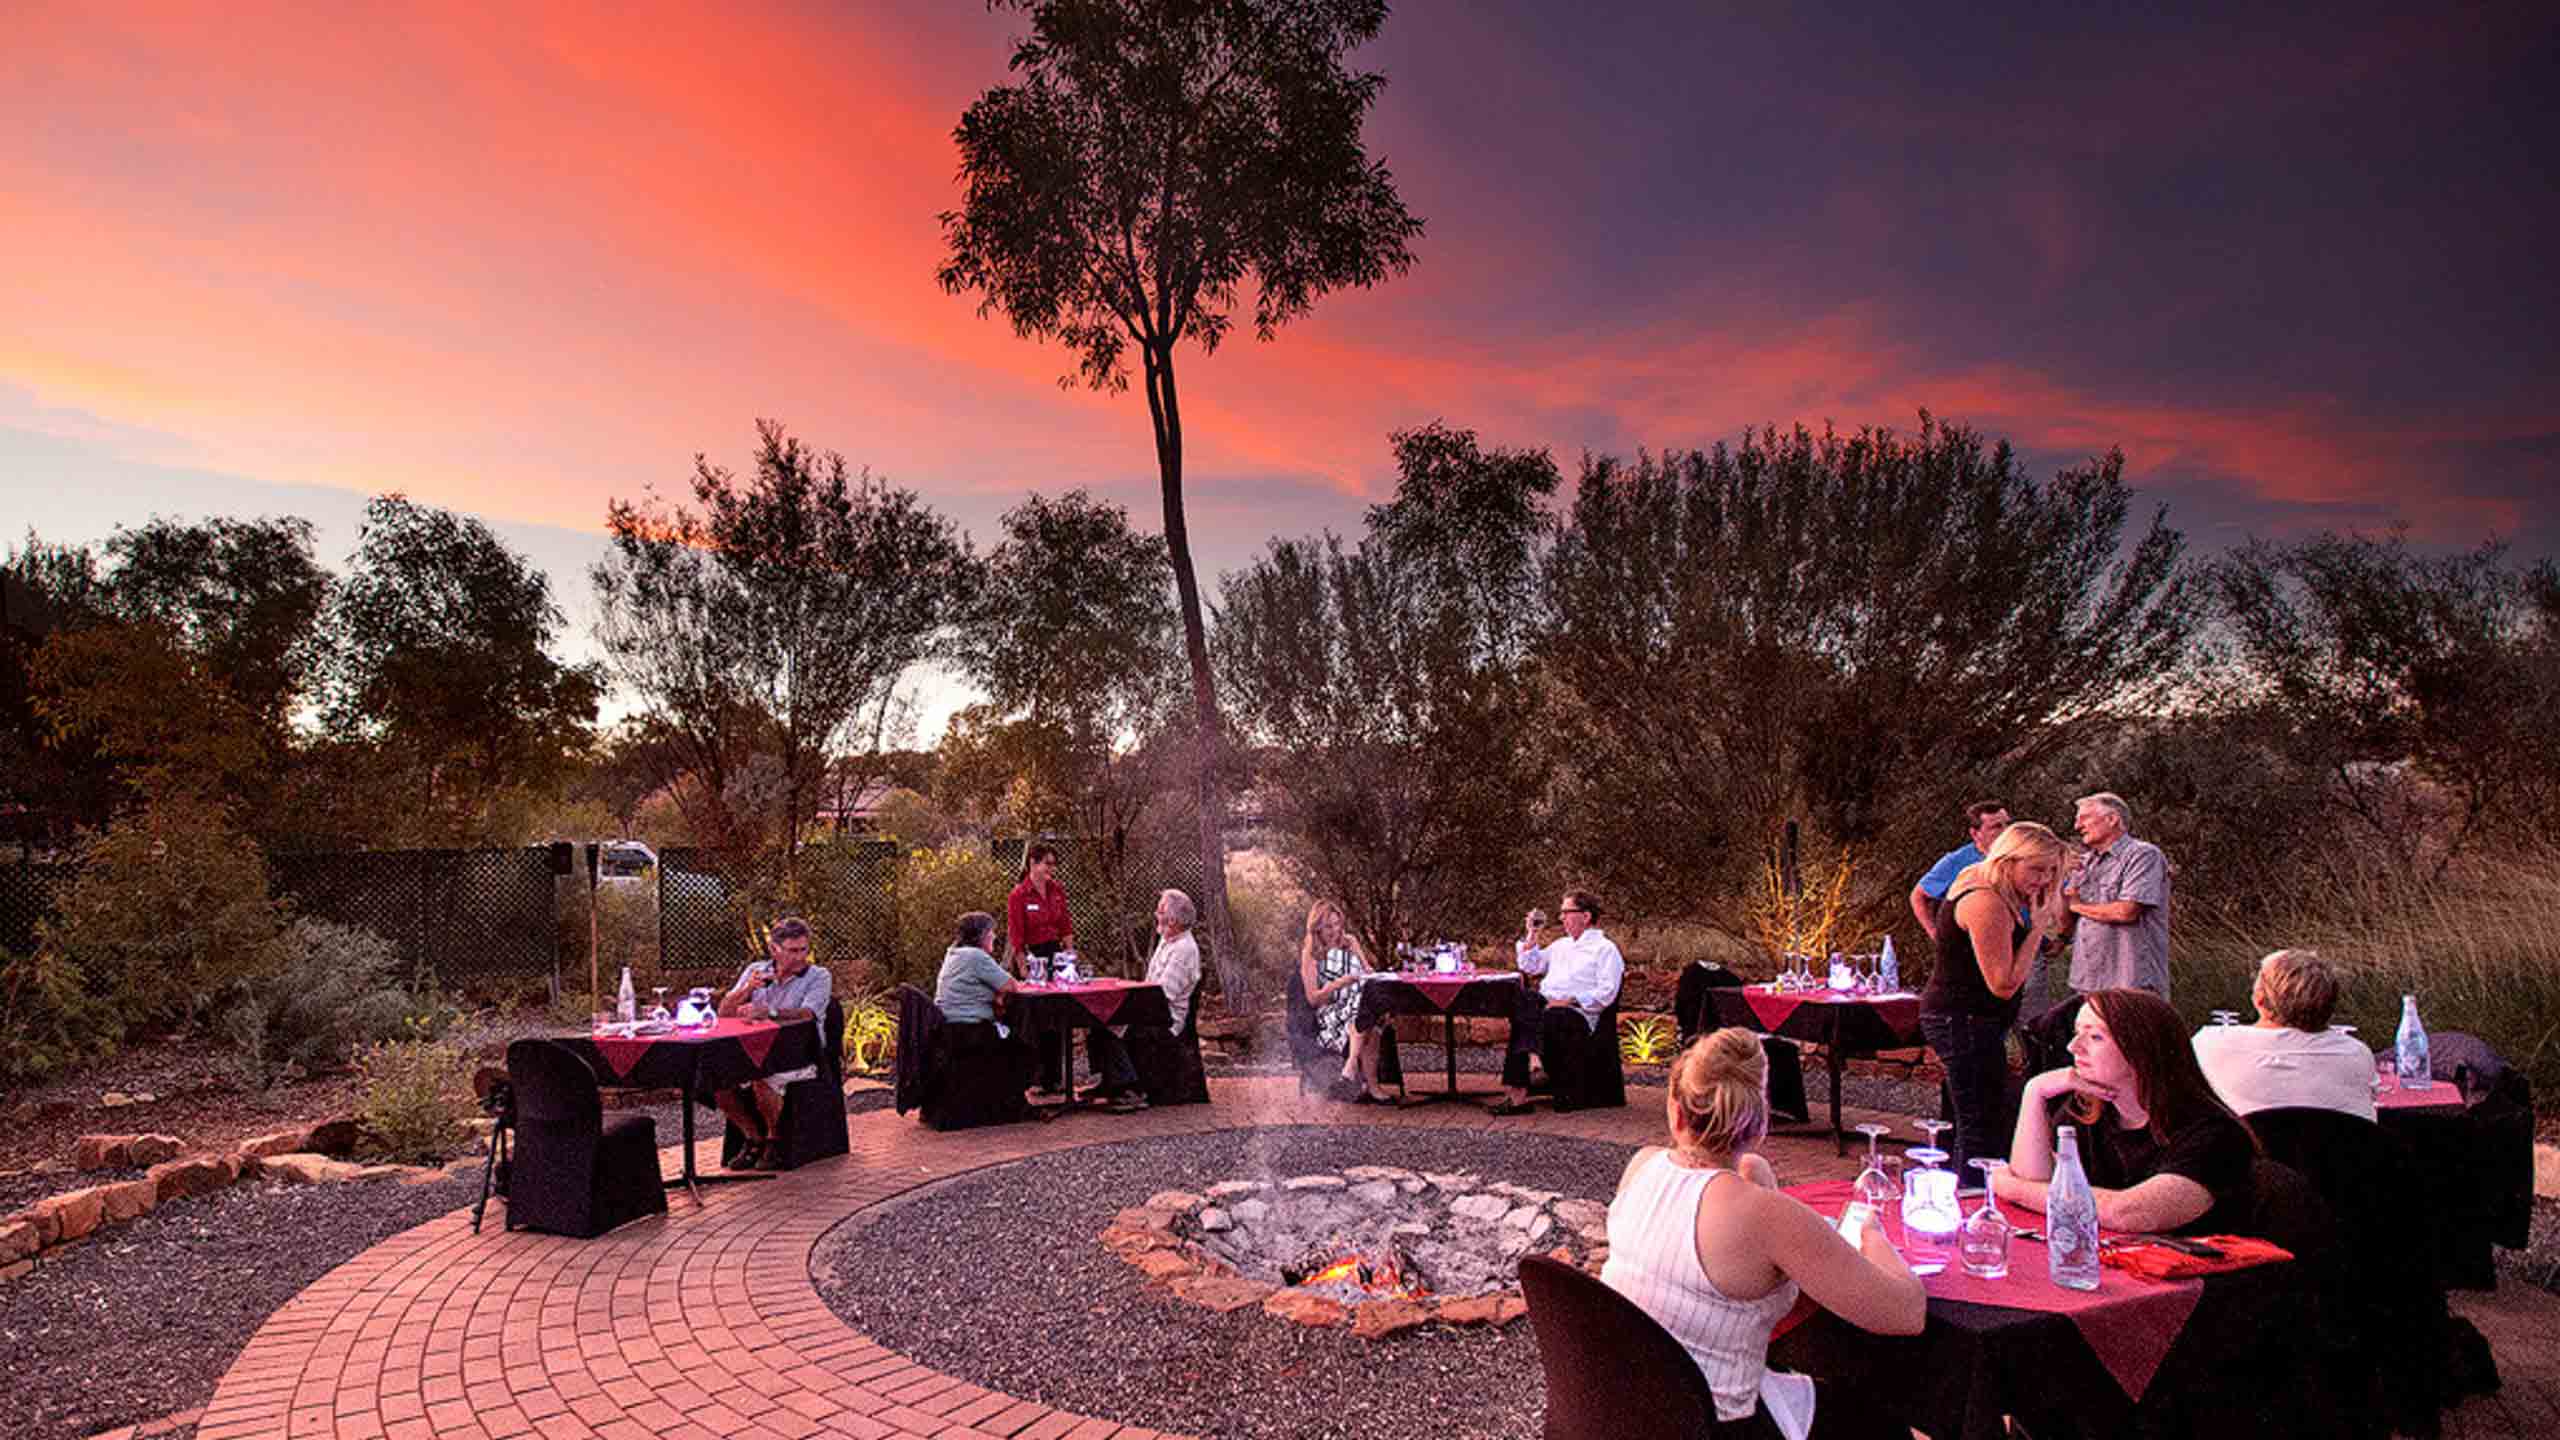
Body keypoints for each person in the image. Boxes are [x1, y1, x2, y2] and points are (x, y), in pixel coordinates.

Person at [1601, 1029, 1923, 1440]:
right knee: (1882, 1420)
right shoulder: (1765, 1216)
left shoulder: (1641, 1167)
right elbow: (1906, 1313)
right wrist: (1873, 1229)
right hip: (1720, 1425)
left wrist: (1754, 1172)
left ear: (1677, 1112)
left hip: (1633, 1407)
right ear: (1760, 1123)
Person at [1994, 988, 2258, 1236]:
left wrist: (2014, 1189)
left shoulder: (2214, 1134)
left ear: (2142, 1049)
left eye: (2095, 1036)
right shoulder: (2088, 1111)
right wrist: (2035, 1092)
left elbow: (2129, 1214)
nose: (2073, 1047)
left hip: (2205, 1279)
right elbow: (2038, 1179)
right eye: (2077, 1033)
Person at [1919, 821, 2070, 1173]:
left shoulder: (1992, 886)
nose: (2043, 880)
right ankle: (1973, 1198)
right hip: (1964, 1018)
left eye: (2050, 871)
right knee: (1981, 1126)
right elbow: (2002, 983)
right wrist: (2037, 928)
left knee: (1976, 1116)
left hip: (1976, 1018)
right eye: (2036, 869)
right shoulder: (1986, 900)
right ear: (2008, 860)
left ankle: (1961, 1194)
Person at [2192, 948, 2376, 1121]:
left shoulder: (2211, 1044)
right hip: (2335, 1153)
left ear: (2259, 998)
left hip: (2243, 1153)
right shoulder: (2356, 1054)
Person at [712, 916, 833, 1170]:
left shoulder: (818, 976)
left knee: (762, 1075)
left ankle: (774, 1140)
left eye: (804, 950)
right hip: (753, 1048)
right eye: (792, 951)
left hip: (799, 1051)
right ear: (774, 949)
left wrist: (770, 1012)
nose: (800, 957)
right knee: (717, 1079)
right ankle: (752, 1137)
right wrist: (747, 989)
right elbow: (723, 1012)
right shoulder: (756, 970)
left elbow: (809, 1014)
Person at [1493, 888, 1624, 1115]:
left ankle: (1519, 1094)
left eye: (1567, 912)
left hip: (1577, 1012)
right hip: (1546, 1004)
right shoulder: (1561, 945)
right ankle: (1533, 1062)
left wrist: (1570, 1000)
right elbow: (1531, 966)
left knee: (1541, 1017)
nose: (1561, 917)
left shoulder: (1605, 949)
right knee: (1523, 1000)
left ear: (1586, 916)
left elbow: (1607, 992)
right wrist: (1532, 934)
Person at [1084, 888, 1206, 1112]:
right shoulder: (1167, 939)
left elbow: (1163, 996)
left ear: (1173, 920)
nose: (1155, 915)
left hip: (1167, 1019)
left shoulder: (1183, 950)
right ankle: (1111, 1082)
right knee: (1098, 1020)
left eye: (1160, 911)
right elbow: (1152, 985)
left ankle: (1129, 1088)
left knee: (1111, 1024)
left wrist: (1130, 1004)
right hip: (1153, 1009)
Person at [2063, 792, 2173, 1001]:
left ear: (2112, 819)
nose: (2077, 826)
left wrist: (2078, 906)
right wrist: (2058, 875)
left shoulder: (2143, 855)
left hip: (2131, 980)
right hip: (2087, 981)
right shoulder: (2083, 863)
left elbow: (2127, 911)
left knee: (2133, 1034)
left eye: (2084, 818)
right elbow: (2065, 919)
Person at [1299, 900, 1396, 1103]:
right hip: (1331, 1010)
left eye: (1337, 924)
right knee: (1370, 1020)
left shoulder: (1350, 942)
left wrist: (1368, 972)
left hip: (1359, 1002)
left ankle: (1352, 1067)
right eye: (1328, 926)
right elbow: (1313, 998)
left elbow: (1366, 970)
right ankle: (1371, 1086)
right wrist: (1340, 983)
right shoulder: (1311, 955)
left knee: (1365, 1009)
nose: (1335, 930)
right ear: (1317, 927)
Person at [934, 910, 1034, 1093]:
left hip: (950, 1025)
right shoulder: (975, 957)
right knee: (1026, 1041)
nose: (994, 936)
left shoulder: (955, 953)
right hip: (969, 1029)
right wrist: (1000, 991)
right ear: (980, 936)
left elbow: (996, 987)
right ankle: (1012, 1100)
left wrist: (997, 992)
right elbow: (1012, 986)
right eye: (991, 932)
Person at [1005, 843, 1075, 1090]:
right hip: (1032, 957)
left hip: (1055, 954)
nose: (1051, 869)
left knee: (1056, 1015)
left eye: (1053, 864)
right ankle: (1034, 1077)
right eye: (1047, 863)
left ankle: (1055, 1077)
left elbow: (1065, 925)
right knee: (1035, 1017)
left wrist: (1070, 958)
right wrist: (1023, 967)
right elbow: (1016, 936)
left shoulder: (1057, 890)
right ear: (1033, 864)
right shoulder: (1018, 895)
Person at [1909, 800, 2011, 942]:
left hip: (2023, 945)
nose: (2006, 831)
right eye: (1996, 827)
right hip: (1975, 946)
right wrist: (1937, 936)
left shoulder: (2018, 856)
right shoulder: (1957, 861)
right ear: (1975, 833)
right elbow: (1918, 896)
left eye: (2008, 824)